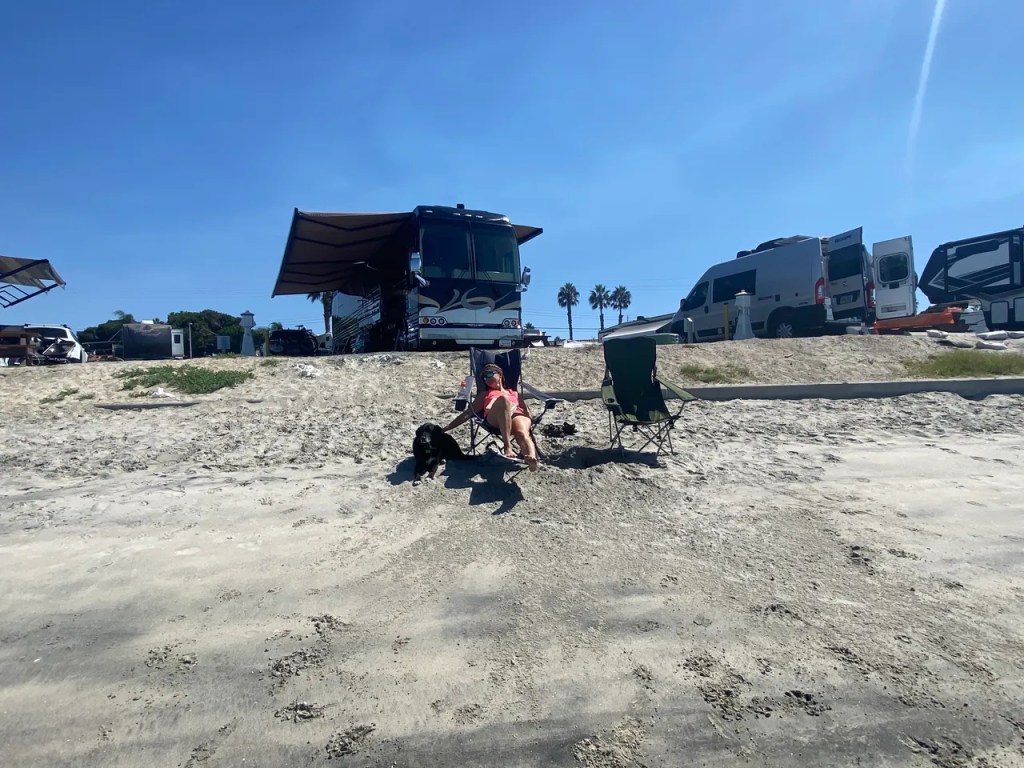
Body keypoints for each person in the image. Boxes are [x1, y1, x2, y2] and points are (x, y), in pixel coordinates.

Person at [443, 363, 539, 471]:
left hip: (516, 414)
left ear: (500, 375)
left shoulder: (514, 393)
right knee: (503, 400)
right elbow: (467, 413)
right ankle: (508, 447)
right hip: (495, 418)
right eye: (484, 378)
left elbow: (526, 411)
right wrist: (448, 427)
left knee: (522, 432)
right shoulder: (485, 394)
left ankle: (531, 458)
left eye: (489, 375)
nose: (486, 379)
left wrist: (528, 419)